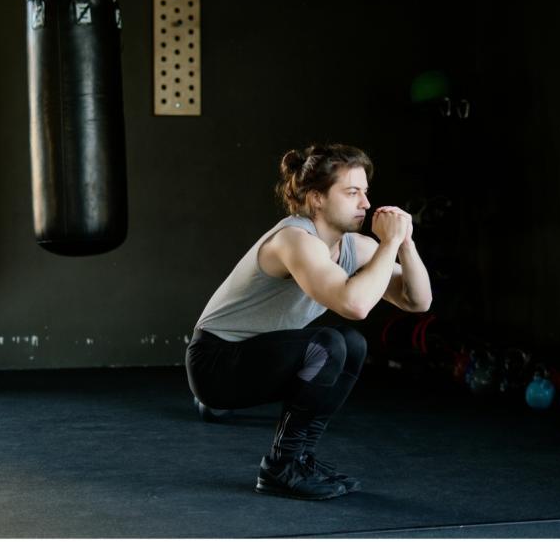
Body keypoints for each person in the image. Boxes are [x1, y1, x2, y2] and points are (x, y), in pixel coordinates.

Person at [185, 143, 433, 500]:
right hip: (215, 364)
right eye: (352, 193)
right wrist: (389, 242)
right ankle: (280, 467)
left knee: (352, 343)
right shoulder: (294, 240)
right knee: (328, 344)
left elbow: (418, 300)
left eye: (365, 192)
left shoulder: (351, 246)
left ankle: (299, 458)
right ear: (317, 198)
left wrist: (405, 244)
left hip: (258, 358)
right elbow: (356, 305)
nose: (365, 203)